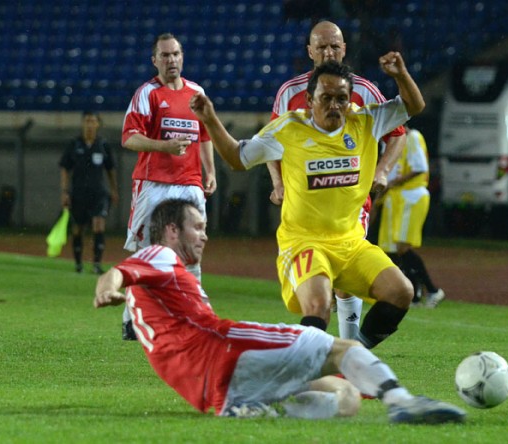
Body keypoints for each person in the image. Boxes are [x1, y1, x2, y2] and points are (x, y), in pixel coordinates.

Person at [93, 198, 465, 423]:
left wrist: (116, 289)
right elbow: (118, 272)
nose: (204, 235)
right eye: (198, 227)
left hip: (208, 389)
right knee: (347, 349)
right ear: (173, 231)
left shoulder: (160, 287)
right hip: (224, 351)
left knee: (346, 399)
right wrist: (108, 288)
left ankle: (255, 410)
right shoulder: (160, 254)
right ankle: (402, 402)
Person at [191, 56, 423, 351]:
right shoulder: (288, 129)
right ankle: (306, 367)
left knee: (401, 291)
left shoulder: (365, 121)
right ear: (310, 100)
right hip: (304, 243)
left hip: (350, 243)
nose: (334, 105)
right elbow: (237, 158)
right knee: (319, 304)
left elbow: (414, 106)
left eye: (341, 98)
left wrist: (401, 74)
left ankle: (354, 354)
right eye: (326, 98)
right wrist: (210, 119)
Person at [269, 21, 407, 340]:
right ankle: (329, 350)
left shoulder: (365, 90)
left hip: (350, 201)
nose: (329, 52)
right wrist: (278, 182)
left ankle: (349, 345)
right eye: (322, 47)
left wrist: (382, 170)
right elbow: (272, 143)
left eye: (335, 46)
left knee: (345, 280)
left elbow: (399, 134)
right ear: (310, 51)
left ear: (344, 49)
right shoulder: (290, 92)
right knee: (318, 288)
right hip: (304, 204)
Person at [120, 32, 217, 339]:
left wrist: (210, 171)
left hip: (189, 183)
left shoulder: (196, 92)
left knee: (193, 248)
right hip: (154, 183)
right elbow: (129, 138)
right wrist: (164, 146)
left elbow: (205, 134)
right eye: (165, 55)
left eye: (175, 54)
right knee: (147, 250)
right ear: (155, 60)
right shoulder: (147, 94)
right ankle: (131, 319)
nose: (171, 60)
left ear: (182, 57)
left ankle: (195, 314)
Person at [376, 124, 445, 308]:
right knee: (391, 249)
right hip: (395, 198)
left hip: (411, 196)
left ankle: (432, 290)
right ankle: (414, 294)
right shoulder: (387, 141)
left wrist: (393, 183)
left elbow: (420, 167)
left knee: (402, 247)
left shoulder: (412, 137)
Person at [59, 111, 119, 275]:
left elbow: (110, 169)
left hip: (98, 193)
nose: (90, 124)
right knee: (78, 228)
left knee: (99, 224)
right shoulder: (74, 144)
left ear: (98, 124)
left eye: (93, 121)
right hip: (78, 193)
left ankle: (97, 264)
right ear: (82, 123)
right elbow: (65, 168)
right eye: (87, 121)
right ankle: (78, 264)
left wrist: (114, 190)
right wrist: (64, 191)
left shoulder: (103, 145)